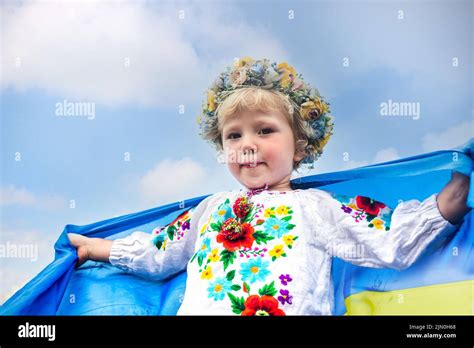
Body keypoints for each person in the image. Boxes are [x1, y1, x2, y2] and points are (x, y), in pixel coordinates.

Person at [68, 57, 471, 315]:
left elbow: (389, 239)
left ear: (298, 148)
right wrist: (97, 249)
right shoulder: (210, 210)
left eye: (264, 130)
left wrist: (453, 194)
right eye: (233, 135)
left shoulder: (319, 208)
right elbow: (160, 252)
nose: (247, 144)